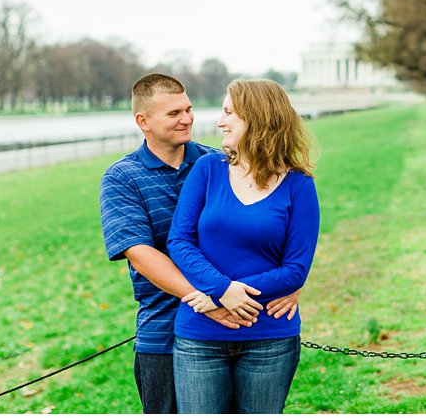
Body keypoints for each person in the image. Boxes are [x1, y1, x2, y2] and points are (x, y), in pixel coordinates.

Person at [100, 73, 301, 414]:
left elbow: (271, 228)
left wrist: (288, 282)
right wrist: (209, 298)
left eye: (188, 108)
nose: (187, 118)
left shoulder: (219, 163)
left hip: (244, 319)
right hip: (164, 330)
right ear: (142, 121)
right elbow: (141, 253)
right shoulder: (122, 177)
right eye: (174, 113)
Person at [167, 78, 320, 414]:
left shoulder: (299, 185)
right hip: (200, 333)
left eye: (229, 113)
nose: (220, 122)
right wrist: (221, 290)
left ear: (259, 118)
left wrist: (231, 293)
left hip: (269, 337)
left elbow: (295, 270)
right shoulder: (208, 170)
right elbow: (179, 241)